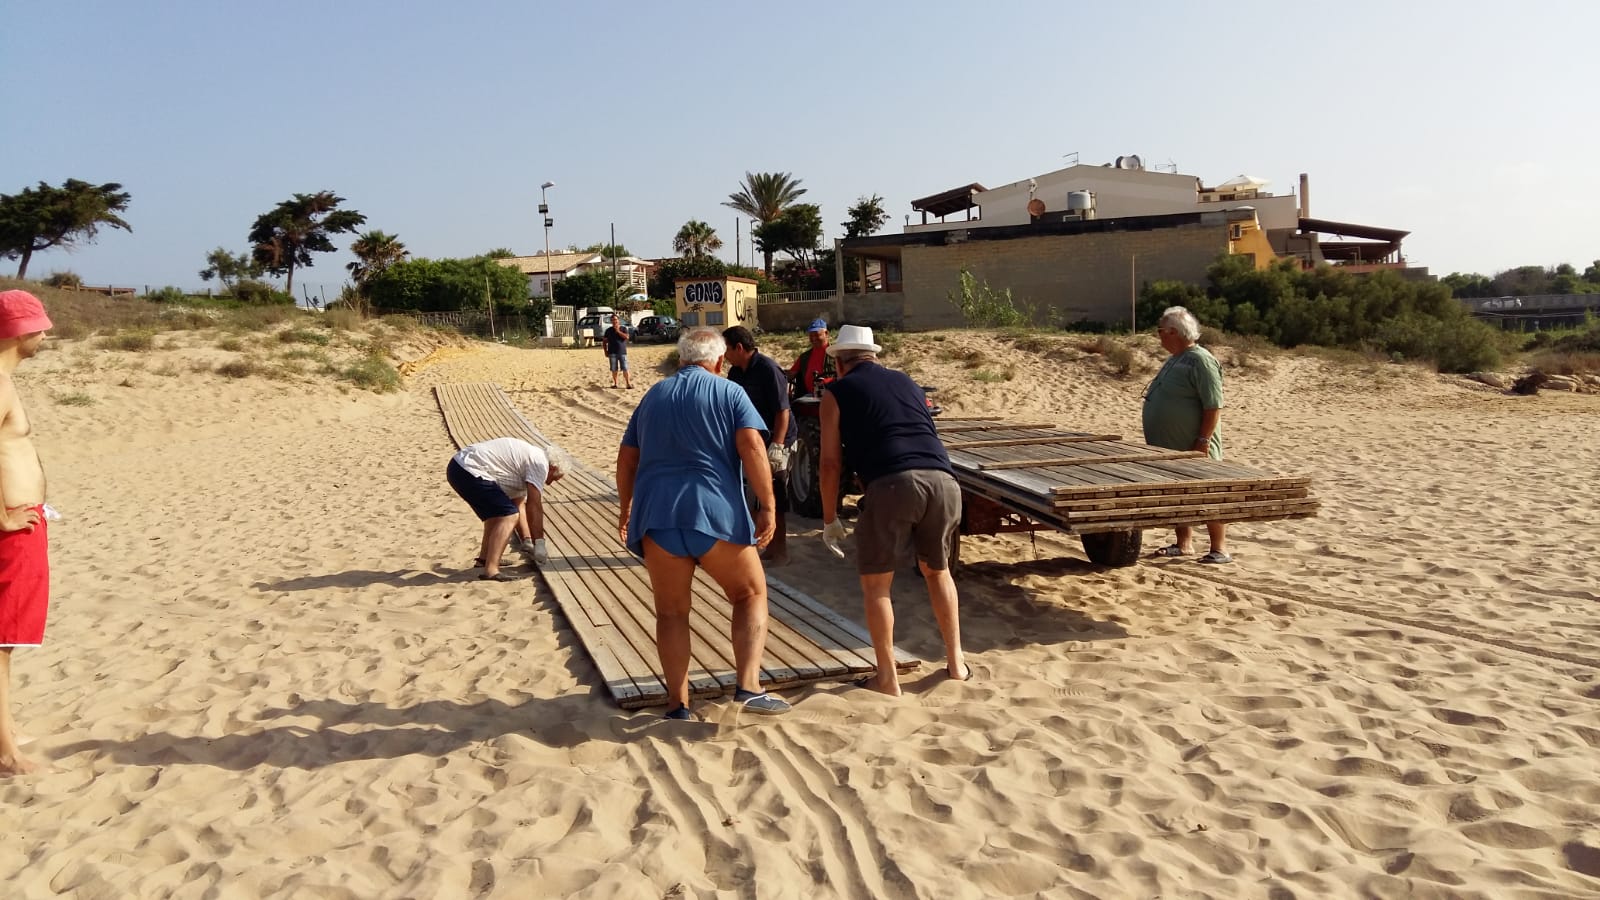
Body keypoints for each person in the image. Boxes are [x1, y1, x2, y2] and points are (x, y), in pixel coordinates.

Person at [616, 328, 791, 720]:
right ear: (718, 361)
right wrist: (768, 504)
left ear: (681, 360)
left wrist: (626, 508)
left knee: (672, 613)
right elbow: (752, 447)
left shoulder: (652, 396)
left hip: (658, 518)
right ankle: (748, 686)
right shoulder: (729, 392)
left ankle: (677, 704)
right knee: (749, 594)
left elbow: (627, 459)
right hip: (714, 512)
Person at [818, 325, 969, 696]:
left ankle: (887, 678)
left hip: (892, 483)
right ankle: (956, 664)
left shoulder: (834, 392)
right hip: (945, 482)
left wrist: (828, 518)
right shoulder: (907, 382)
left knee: (876, 585)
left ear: (839, 361)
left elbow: (829, 465)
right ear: (874, 356)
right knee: (938, 572)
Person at [0, 290, 53, 775]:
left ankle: (4, 731)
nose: (45, 334)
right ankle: (6, 753)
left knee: (8, 640)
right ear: (19, 331)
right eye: (39, 326)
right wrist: (3, 516)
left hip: (25, 518)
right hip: (11, 528)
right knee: (1, 640)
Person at [1143, 306, 1230, 563]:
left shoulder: (1201, 360)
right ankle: (1184, 543)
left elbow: (1213, 404)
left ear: (1173, 332)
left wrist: (1203, 439)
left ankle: (1219, 548)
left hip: (1195, 445)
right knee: (1177, 494)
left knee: (1209, 491)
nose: (1158, 336)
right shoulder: (1176, 358)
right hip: (1170, 447)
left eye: (1160, 331)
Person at [722, 326, 797, 566]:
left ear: (740, 348)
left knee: (775, 494)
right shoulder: (735, 373)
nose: (724, 356)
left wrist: (777, 445)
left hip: (778, 438)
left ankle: (780, 552)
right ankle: (761, 545)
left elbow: (782, 411)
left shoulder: (768, 369)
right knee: (753, 494)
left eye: (727, 350)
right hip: (753, 440)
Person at [447, 437, 570, 581]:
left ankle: (484, 560)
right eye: (554, 478)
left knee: (497, 515)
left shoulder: (526, 462)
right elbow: (534, 505)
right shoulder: (540, 464)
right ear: (553, 468)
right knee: (508, 516)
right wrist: (540, 543)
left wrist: (527, 540)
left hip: (458, 467)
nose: (549, 483)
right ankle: (491, 570)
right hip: (469, 470)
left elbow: (518, 503)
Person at [786, 318, 835, 399]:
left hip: (831, 397)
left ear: (826, 333)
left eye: (816, 334)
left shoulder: (835, 353)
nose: (813, 338)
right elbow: (790, 374)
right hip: (809, 399)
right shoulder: (804, 357)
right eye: (811, 335)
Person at [603, 314, 633, 389]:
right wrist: (605, 351)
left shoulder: (623, 328)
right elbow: (604, 342)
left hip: (622, 352)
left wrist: (618, 331)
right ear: (611, 321)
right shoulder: (608, 330)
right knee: (614, 369)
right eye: (613, 320)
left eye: (616, 320)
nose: (614, 321)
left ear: (618, 320)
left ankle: (628, 383)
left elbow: (626, 337)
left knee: (625, 368)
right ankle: (615, 383)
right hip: (612, 352)